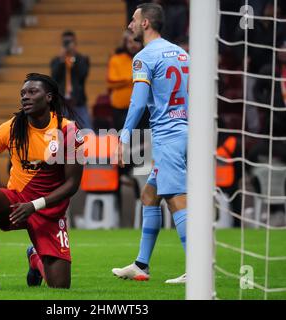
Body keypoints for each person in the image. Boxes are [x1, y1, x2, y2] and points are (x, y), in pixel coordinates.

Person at [0, 73, 84, 290]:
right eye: (22, 93)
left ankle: (35, 259)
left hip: (49, 211)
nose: (25, 97)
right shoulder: (12, 127)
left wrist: (34, 206)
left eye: (32, 92)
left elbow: (72, 184)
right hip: (16, 204)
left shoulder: (68, 131)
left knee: (60, 287)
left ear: (48, 97)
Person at [111, 3, 188, 284]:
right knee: (149, 196)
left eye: (133, 19)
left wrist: (123, 137)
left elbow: (138, 101)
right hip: (185, 131)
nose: (129, 24)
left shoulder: (143, 57)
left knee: (176, 199)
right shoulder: (182, 53)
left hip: (168, 135)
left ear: (145, 23)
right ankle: (141, 264)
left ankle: (197, 267)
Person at [50, 30, 91, 129]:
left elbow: (82, 75)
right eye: (65, 42)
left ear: (75, 43)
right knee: (59, 130)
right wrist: (61, 60)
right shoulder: (56, 60)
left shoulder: (82, 59)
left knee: (87, 130)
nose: (67, 45)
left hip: (78, 101)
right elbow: (54, 76)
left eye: (69, 42)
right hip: (61, 103)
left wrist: (73, 57)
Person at [107, 31, 143, 131]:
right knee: (123, 141)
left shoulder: (146, 58)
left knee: (142, 141)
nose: (133, 45)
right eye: (130, 42)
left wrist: (125, 80)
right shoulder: (116, 59)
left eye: (136, 42)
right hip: (120, 108)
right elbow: (111, 81)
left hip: (142, 108)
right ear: (125, 43)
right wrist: (132, 78)